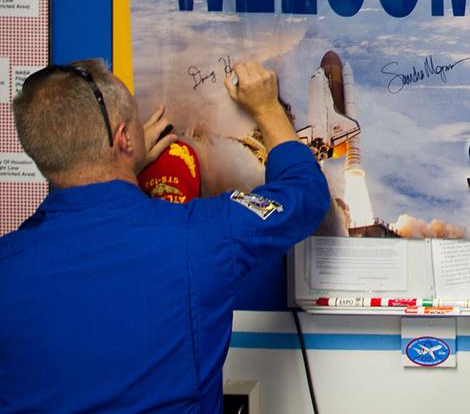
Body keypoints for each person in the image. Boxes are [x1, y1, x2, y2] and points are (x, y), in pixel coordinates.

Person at [0, 59, 329, 413]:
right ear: (124, 138)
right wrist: (267, 108)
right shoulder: (202, 237)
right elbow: (305, 196)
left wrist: (122, 167)